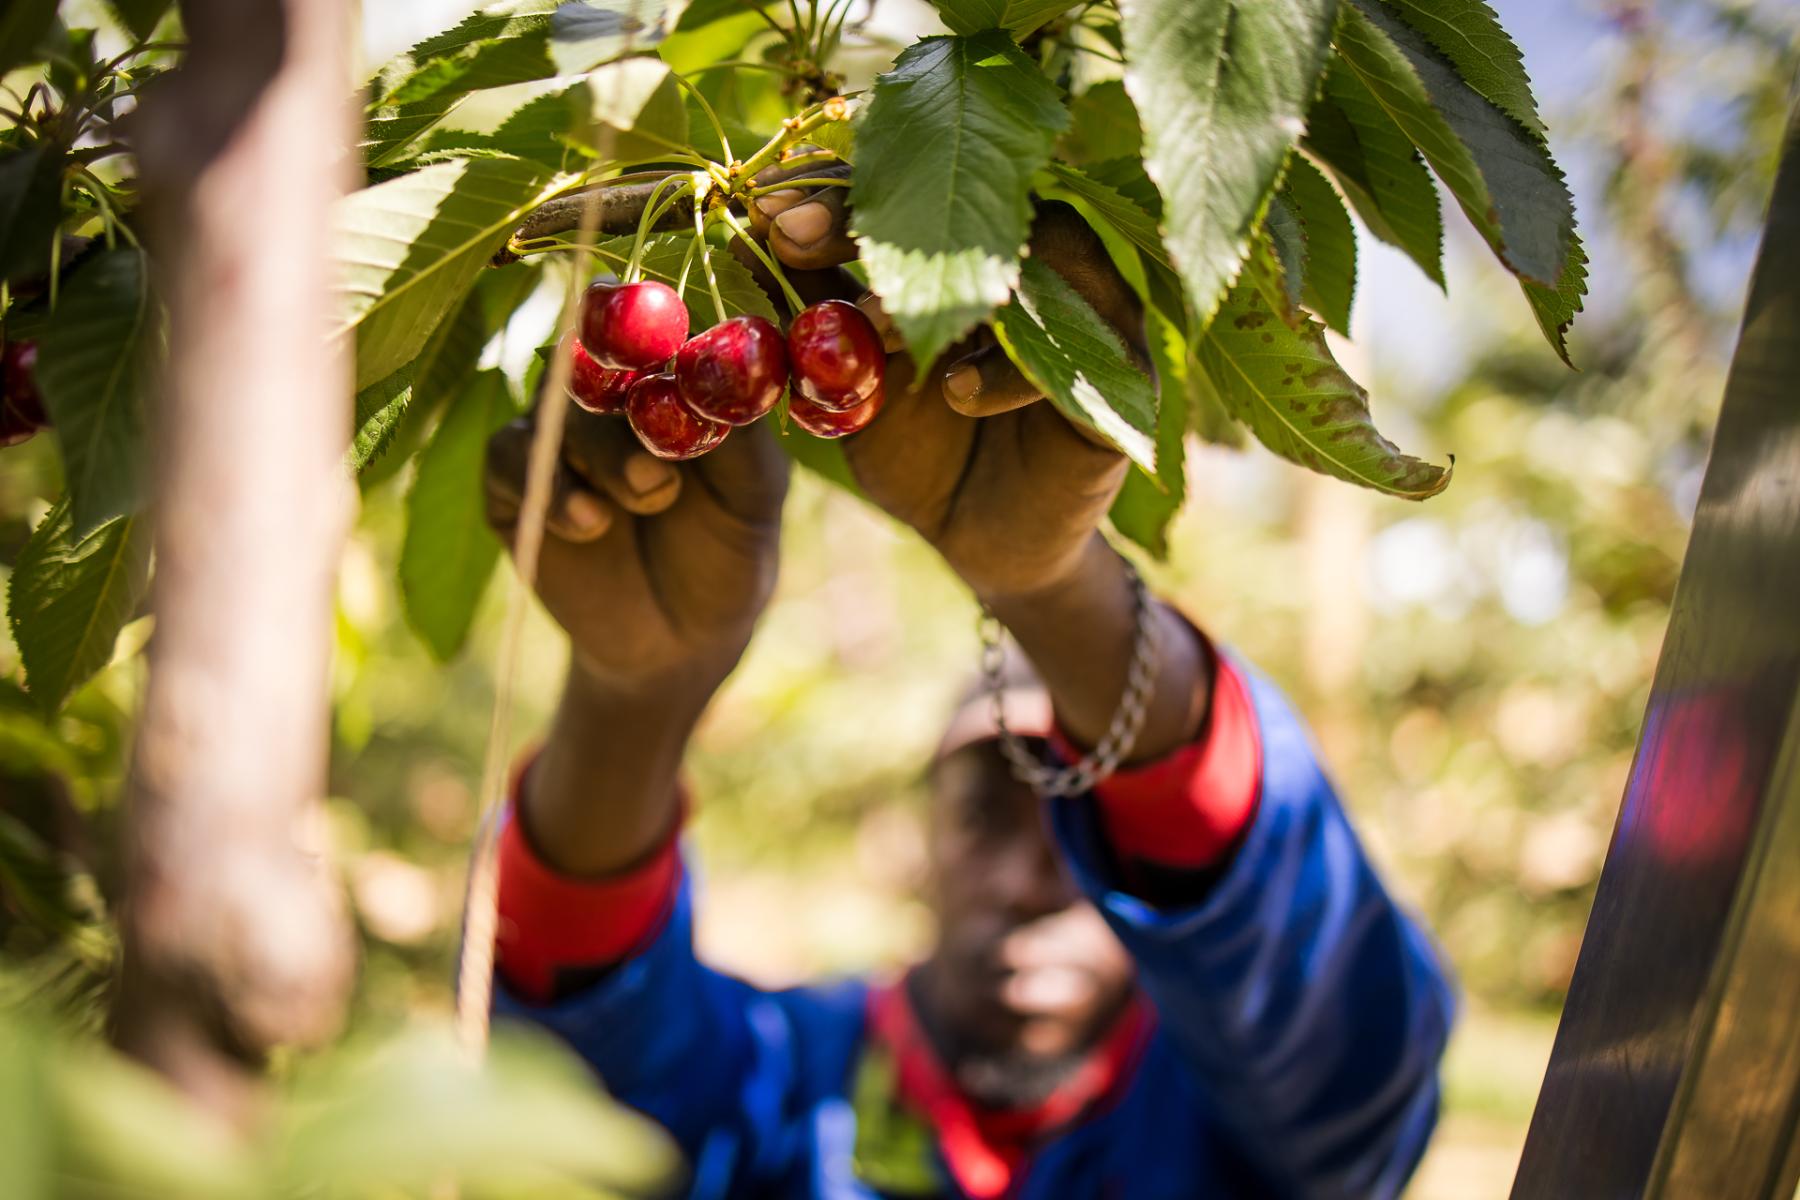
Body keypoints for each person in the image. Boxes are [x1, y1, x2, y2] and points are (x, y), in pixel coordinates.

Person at [480, 185, 1456, 1199]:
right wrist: (631, 703)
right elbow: (575, 1101)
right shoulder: (790, 1088)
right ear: (918, 846)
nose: (1033, 881)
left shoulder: (1239, 1118)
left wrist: (1053, 589)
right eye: (990, 812)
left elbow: (1358, 1059)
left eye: (1077, 816)